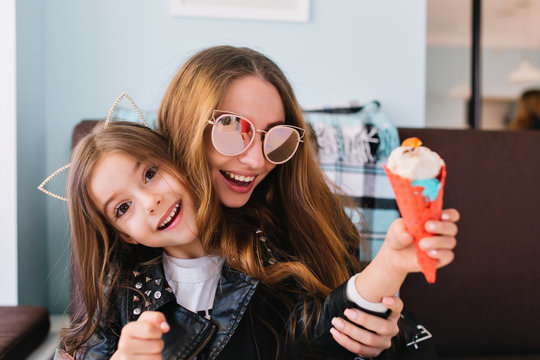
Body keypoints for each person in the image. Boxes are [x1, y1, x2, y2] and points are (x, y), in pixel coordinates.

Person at [52, 121, 455, 359]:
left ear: (179, 160)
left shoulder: (265, 248)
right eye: (123, 208)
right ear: (120, 233)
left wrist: (390, 262)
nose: (150, 201)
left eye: (150, 174)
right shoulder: (122, 296)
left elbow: (323, 327)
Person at [158, 45, 459, 358]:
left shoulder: (313, 220)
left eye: (276, 136)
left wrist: (380, 338)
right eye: (232, 127)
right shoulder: (136, 236)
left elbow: (334, 328)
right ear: (185, 126)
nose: (256, 160)